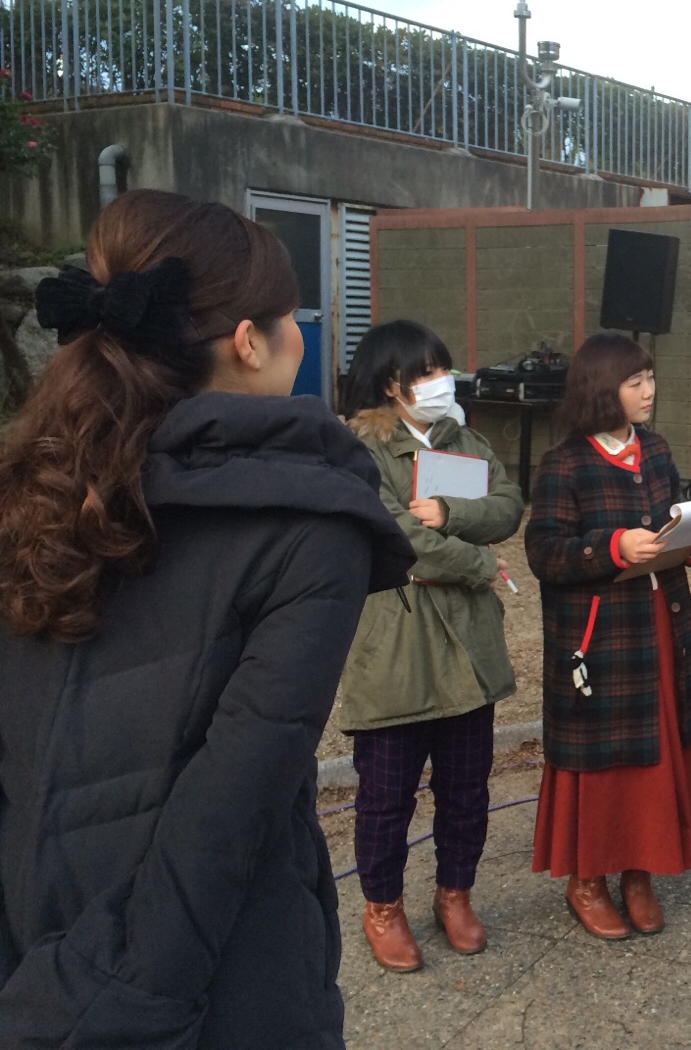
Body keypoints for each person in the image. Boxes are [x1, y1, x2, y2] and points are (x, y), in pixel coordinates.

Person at [0, 190, 413, 1048]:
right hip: (202, 980)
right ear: (249, 341)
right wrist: (124, 999)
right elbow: (230, 806)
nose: (299, 335)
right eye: (291, 315)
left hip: (29, 934)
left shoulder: (33, 487)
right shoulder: (309, 523)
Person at [338, 320, 524, 972]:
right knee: (386, 794)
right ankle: (382, 907)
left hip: (468, 645)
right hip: (397, 643)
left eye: (443, 369)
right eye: (427, 372)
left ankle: (455, 894)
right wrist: (479, 565)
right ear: (392, 384)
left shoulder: (462, 440)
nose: (443, 382)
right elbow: (397, 540)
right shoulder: (361, 449)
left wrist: (450, 514)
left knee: (466, 788)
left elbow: (507, 505)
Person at [525, 333, 691, 940]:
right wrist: (611, 547)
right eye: (635, 382)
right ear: (601, 389)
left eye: (650, 378)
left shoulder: (655, 449)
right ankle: (586, 880)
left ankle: (640, 873)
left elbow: (669, 526)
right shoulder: (566, 462)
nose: (649, 391)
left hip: (661, 627)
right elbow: (544, 552)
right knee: (602, 762)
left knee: (657, 749)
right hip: (602, 638)